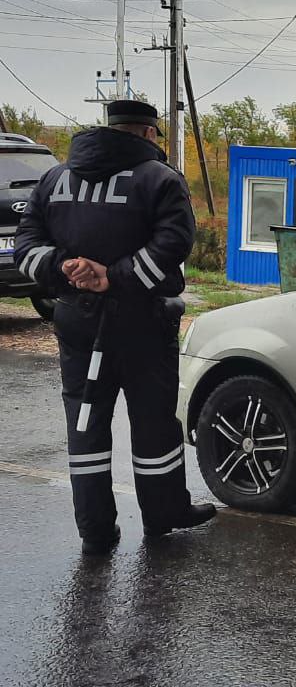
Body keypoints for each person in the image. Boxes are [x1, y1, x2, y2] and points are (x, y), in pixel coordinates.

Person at [14, 100, 215, 556]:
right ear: (147, 134)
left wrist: (64, 269)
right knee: (153, 422)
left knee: (86, 423)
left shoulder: (54, 178)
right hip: (142, 322)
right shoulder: (160, 179)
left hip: (76, 320)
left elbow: (25, 242)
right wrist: (114, 277)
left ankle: (96, 531)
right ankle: (164, 515)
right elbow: (174, 241)